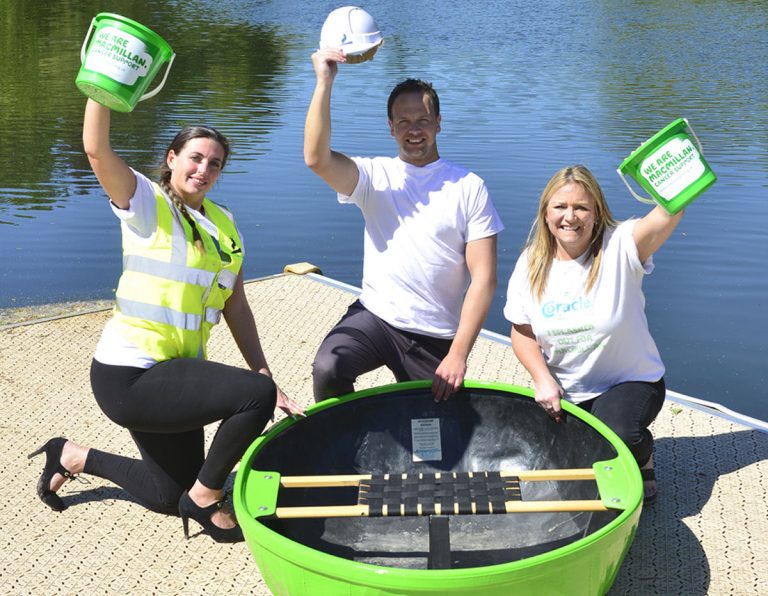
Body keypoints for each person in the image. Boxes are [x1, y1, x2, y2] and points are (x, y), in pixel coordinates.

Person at [28, 98, 304, 543]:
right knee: (251, 401)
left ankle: (73, 455)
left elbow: (236, 305)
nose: (204, 169)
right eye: (195, 158)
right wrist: (101, 90)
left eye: (215, 163)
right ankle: (206, 500)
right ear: (172, 159)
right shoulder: (146, 203)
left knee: (165, 493)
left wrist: (264, 373)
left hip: (177, 376)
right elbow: (96, 150)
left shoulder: (224, 224)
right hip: (129, 376)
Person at [304, 48, 504, 403]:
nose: (414, 130)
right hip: (376, 318)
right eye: (404, 121)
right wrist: (324, 81)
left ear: (438, 123)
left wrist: (458, 354)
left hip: (435, 334)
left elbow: (484, 279)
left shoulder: (468, 186)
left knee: (441, 443)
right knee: (328, 367)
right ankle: (342, 449)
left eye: (423, 120)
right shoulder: (374, 176)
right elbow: (316, 160)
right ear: (391, 127)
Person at [504, 164, 683, 503]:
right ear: (545, 213)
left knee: (616, 437)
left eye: (581, 207)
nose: (570, 217)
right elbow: (522, 331)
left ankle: (643, 455)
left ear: (597, 214)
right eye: (560, 207)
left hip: (630, 381)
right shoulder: (531, 263)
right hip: (567, 390)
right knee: (558, 471)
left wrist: (676, 179)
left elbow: (666, 214)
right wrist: (542, 379)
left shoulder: (622, 246)